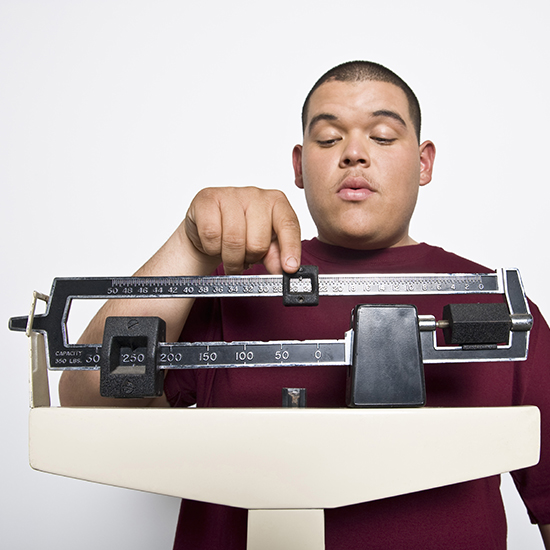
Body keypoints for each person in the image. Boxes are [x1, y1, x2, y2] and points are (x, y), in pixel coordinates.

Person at [59, 61, 550, 549]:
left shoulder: (496, 308)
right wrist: (189, 243)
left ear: (423, 162)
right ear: (298, 164)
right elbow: (85, 397)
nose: (354, 154)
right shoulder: (228, 292)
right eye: (329, 139)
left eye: (381, 136)